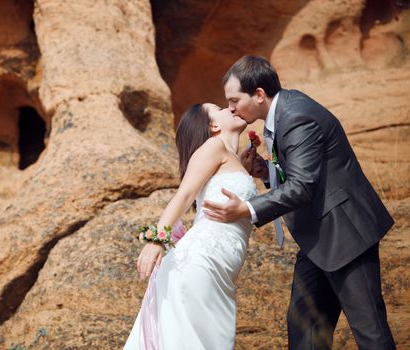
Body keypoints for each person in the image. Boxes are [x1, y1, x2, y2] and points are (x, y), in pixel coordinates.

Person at [202, 55, 395, 349]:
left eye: (233, 100)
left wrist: (247, 209)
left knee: (371, 334)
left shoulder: (296, 116)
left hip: (346, 234)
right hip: (318, 238)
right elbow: (304, 172)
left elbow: (303, 186)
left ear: (259, 95)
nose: (230, 108)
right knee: (304, 332)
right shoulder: (284, 110)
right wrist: (266, 172)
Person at [124, 103, 257, 349]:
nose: (231, 107)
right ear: (213, 125)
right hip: (200, 261)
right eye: (220, 107)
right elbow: (184, 195)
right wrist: (157, 240)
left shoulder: (230, 159)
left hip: (219, 268)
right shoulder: (213, 146)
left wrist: (245, 171)